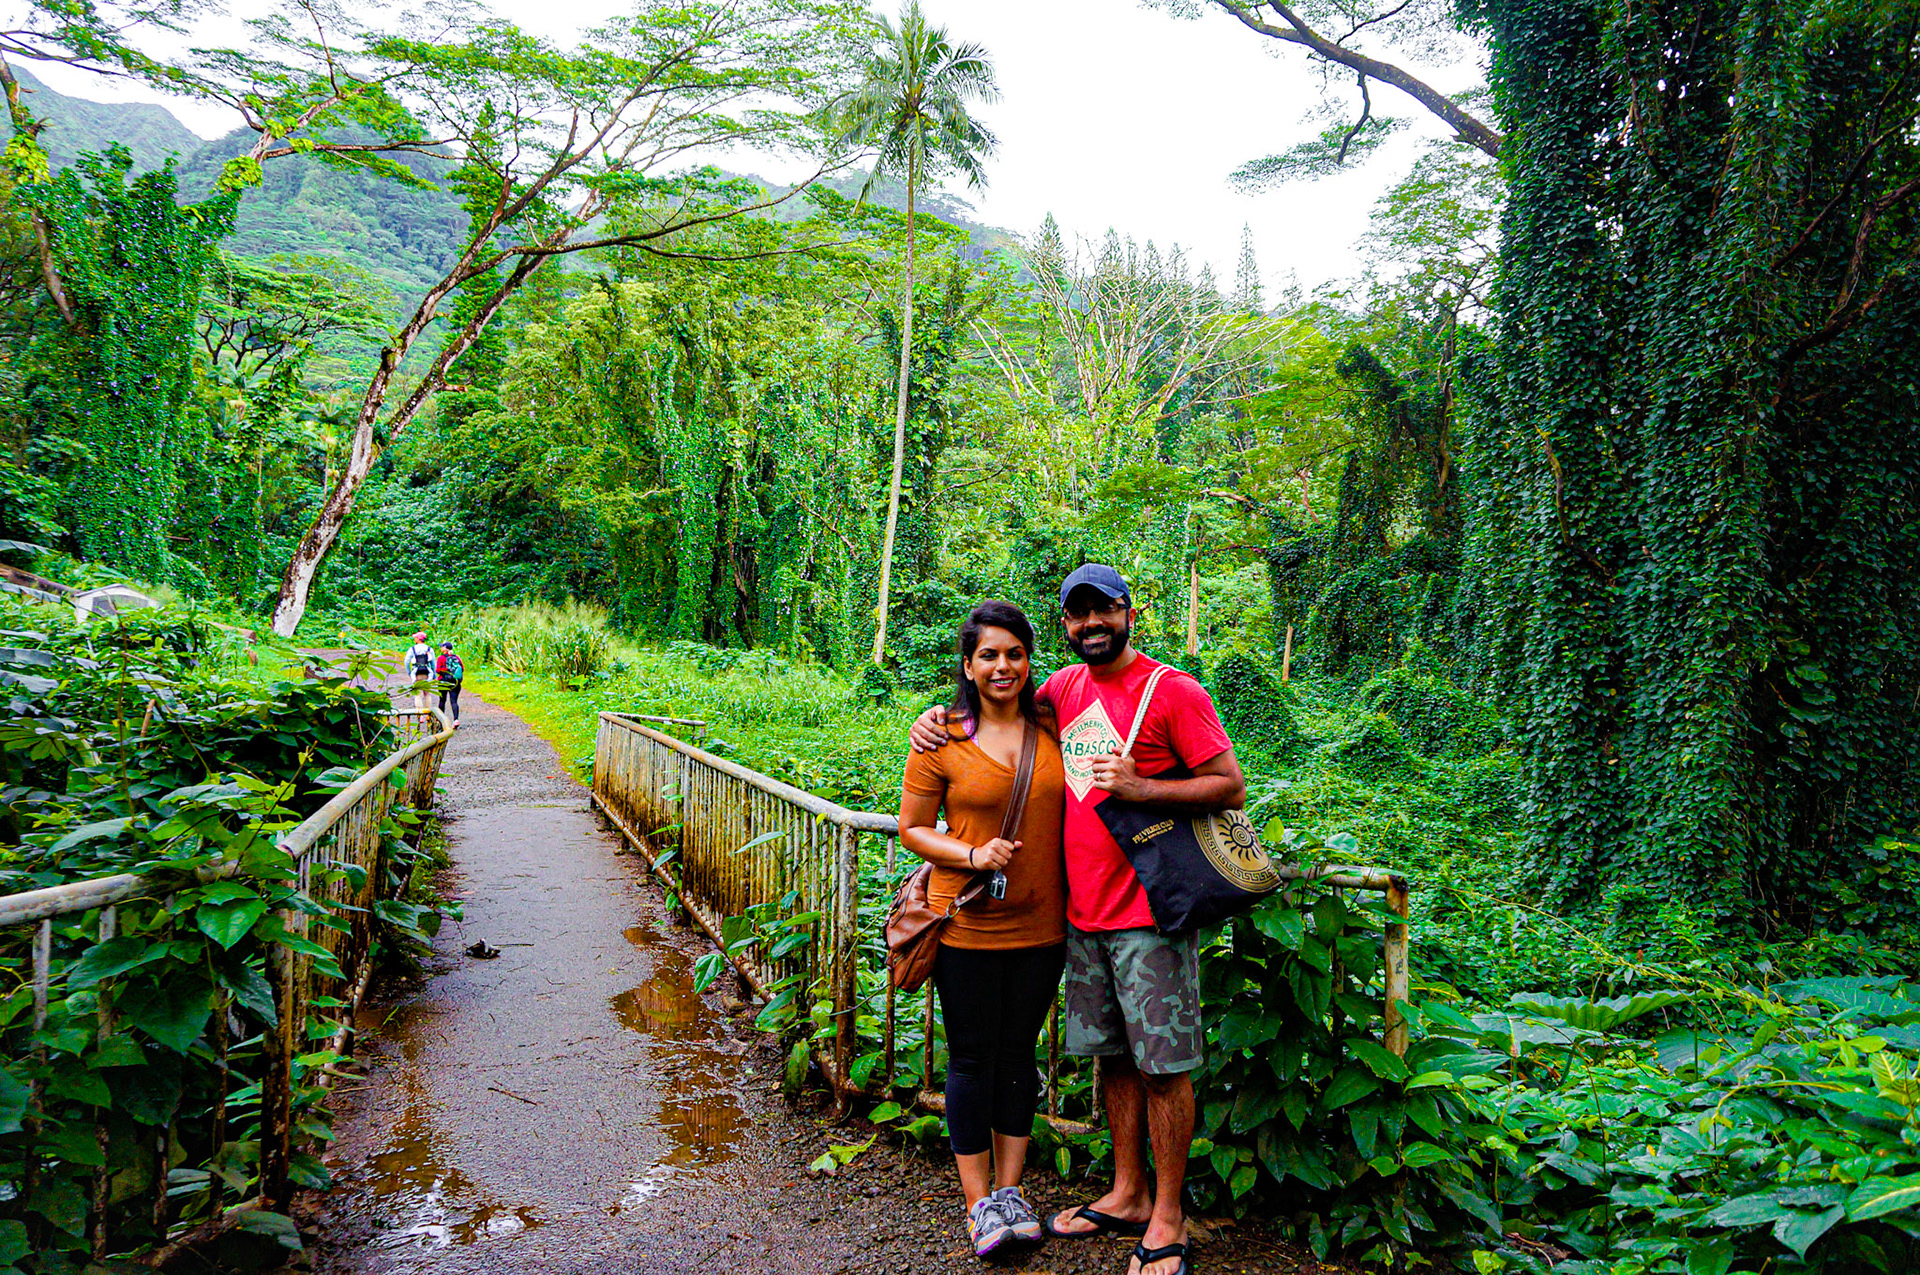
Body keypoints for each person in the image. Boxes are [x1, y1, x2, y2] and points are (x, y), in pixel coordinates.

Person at [910, 565, 1245, 1275]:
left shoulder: (1174, 690)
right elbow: (986, 722)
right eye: (1078, 614)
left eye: (1105, 611)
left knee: (1163, 1068)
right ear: (1064, 625)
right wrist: (935, 717)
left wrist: (1142, 786)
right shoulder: (1059, 691)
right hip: (1080, 916)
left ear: (1130, 613)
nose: (1092, 624)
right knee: (1114, 1061)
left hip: (1149, 912)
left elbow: (1228, 783)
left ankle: (1168, 1215)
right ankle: (1126, 1192)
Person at [898, 601, 1067, 1259]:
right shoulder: (942, 736)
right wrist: (972, 855)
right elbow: (912, 826)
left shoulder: (1054, 724)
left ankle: (1012, 1190)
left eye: (1015, 653)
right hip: (966, 923)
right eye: (988, 654)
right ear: (968, 665)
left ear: (1029, 661)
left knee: (1018, 1054)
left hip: (1043, 925)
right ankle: (978, 1205)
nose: (1003, 665)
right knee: (970, 1056)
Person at [403, 632, 436, 712]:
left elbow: (406, 661)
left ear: (418, 639)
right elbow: (433, 663)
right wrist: (434, 674)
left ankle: (419, 713)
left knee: (418, 694)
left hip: (416, 673)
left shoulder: (412, 649)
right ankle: (427, 712)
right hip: (427, 673)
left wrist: (410, 672)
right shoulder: (429, 649)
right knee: (427, 694)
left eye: (415, 638)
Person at [435, 640, 464, 727]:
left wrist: (445, 673)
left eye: (442, 646)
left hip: (443, 681)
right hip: (455, 682)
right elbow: (462, 668)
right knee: (454, 701)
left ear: (445, 649)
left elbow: (438, 670)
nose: (440, 648)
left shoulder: (441, 658)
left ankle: (440, 721)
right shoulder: (457, 657)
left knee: (442, 700)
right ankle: (456, 720)